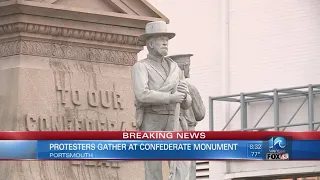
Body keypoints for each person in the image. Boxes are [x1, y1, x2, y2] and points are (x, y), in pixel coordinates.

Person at [131, 21, 192, 180]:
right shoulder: (141, 67)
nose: (165, 42)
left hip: (174, 118)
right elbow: (142, 94)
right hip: (153, 119)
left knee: (182, 164)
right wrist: (170, 97)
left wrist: (185, 96)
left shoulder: (174, 67)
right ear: (150, 43)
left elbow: (186, 103)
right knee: (153, 168)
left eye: (167, 39)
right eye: (161, 39)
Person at [168, 54, 206, 180]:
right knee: (188, 167)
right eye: (188, 66)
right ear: (183, 68)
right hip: (187, 130)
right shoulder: (190, 88)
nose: (189, 69)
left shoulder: (166, 88)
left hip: (172, 130)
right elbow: (200, 114)